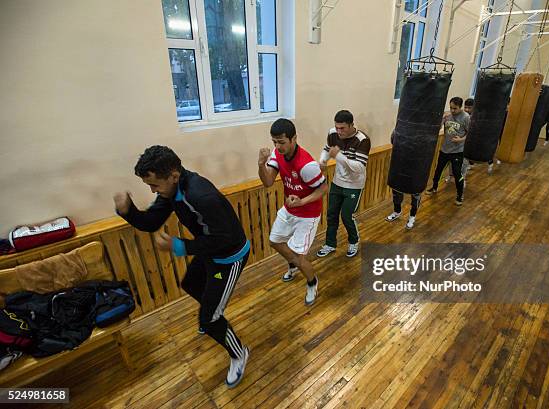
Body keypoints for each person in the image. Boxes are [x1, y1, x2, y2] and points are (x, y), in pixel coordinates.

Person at [113, 145, 250, 388]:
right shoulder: (172, 191)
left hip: (229, 258)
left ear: (174, 175)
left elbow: (225, 238)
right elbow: (152, 221)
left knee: (209, 319)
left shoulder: (200, 195)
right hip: (210, 253)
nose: (154, 191)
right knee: (191, 283)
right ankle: (211, 315)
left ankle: (239, 353)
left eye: (155, 185)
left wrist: (181, 247)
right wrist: (128, 212)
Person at [258, 118, 328, 306]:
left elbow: (323, 189)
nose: (278, 146)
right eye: (274, 142)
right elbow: (268, 182)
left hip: (308, 214)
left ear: (294, 138)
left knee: (299, 256)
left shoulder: (307, 165)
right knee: (275, 241)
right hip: (289, 209)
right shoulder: (277, 154)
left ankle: (312, 282)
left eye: (281, 142)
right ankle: (293, 265)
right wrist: (261, 164)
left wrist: (302, 201)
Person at [316, 110, 371, 258]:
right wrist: (323, 160)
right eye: (337, 127)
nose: (339, 131)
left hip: (354, 184)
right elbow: (327, 149)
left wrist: (338, 156)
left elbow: (359, 167)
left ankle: (354, 242)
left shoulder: (363, 139)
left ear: (352, 125)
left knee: (347, 216)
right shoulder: (333, 133)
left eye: (343, 128)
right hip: (337, 182)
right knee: (331, 214)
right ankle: (330, 244)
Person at [425, 96, 469, 206]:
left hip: (458, 151)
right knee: (438, 170)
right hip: (445, 149)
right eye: (451, 108)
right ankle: (434, 187)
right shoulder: (448, 115)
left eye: (455, 108)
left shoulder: (466, 117)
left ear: (460, 107)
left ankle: (460, 195)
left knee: (457, 174)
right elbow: (438, 128)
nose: (452, 110)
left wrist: (461, 139)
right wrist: (442, 119)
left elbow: (470, 134)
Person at [385, 130, 421, 229]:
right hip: (400, 163)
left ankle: (412, 216)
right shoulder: (402, 127)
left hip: (416, 166)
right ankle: (397, 211)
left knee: (416, 193)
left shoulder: (421, 130)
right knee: (397, 190)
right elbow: (393, 139)